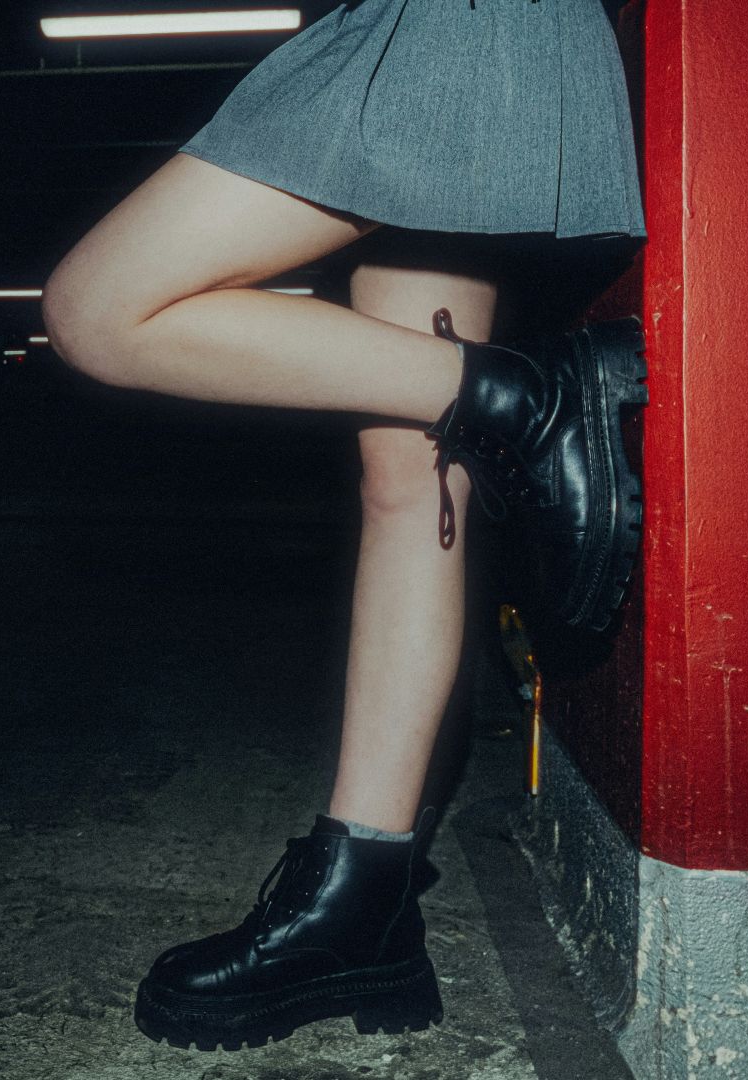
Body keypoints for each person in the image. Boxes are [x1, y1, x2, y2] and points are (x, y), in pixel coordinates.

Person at [39, 0, 648, 1051]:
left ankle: (529, 400)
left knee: (98, 308)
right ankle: (360, 905)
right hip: (433, 30)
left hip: (451, 26)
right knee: (409, 479)